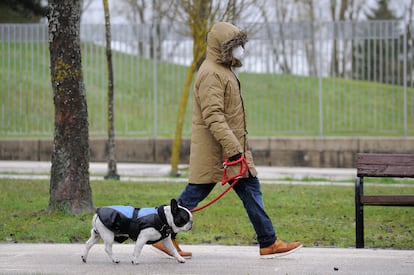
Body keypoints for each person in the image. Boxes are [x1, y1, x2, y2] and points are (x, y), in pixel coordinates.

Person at [153, 22, 302, 258]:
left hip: (227, 151)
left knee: (242, 190)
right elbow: (214, 116)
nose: (240, 49)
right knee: (197, 195)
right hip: (221, 153)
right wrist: (234, 150)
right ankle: (268, 242)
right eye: (236, 45)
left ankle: (267, 241)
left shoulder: (221, 70)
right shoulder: (212, 73)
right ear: (222, 47)